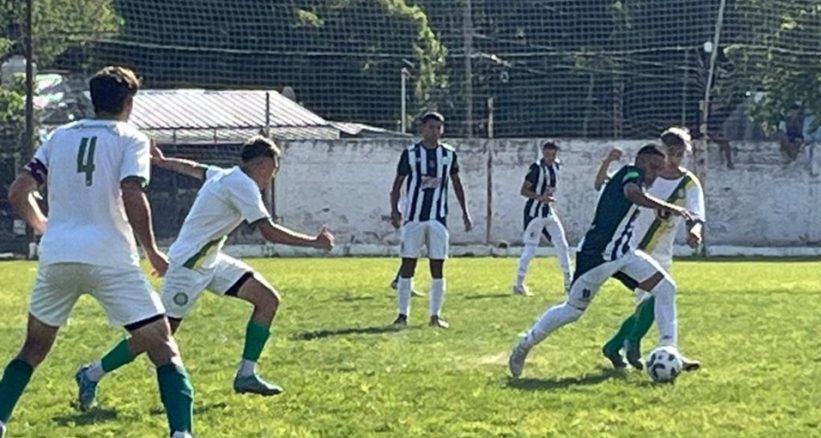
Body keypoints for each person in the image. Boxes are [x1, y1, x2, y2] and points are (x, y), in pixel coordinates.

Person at [0, 66, 194, 437]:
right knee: (164, 348)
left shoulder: (59, 136)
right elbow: (132, 192)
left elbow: (18, 192)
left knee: (33, 349)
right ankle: (181, 433)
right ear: (129, 102)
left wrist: (43, 225)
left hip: (58, 256)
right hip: (110, 257)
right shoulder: (131, 138)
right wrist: (152, 250)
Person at [76, 136, 334, 408]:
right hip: (188, 266)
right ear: (262, 165)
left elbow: (193, 168)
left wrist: (162, 162)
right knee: (157, 336)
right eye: (274, 169)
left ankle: (246, 375)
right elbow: (268, 232)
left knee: (267, 300)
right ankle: (91, 374)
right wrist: (314, 243)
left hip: (210, 260)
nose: (273, 176)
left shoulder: (225, 175)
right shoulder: (243, 185)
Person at [508, 144, 695, 379]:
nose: (657, 174)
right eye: (654, 168)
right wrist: (668, 207)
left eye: (660, 169)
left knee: (666, 288)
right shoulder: (631, 173)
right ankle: (524, 345)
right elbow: (632, 193)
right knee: (572, 311)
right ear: (642, 161)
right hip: (597, 257)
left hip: (623, 254)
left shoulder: (633, 177)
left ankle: (669, 349)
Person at [601, 128, 705, 370]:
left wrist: (695, 231)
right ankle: (642, 345)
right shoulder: (647, 175)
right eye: (670, 153)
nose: (674, 159)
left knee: (654, 300)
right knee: (652, 300)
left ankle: (617, 345)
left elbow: (696, 214)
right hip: (633, 247)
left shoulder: (689, 182)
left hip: (663, 251)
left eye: (679, 154)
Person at [389, 112, 473, 328]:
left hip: (438, 220)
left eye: (438, 128)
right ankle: (402, 315)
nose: (434, 131)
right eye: (430, 127)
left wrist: (465, 212)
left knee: (437, 267)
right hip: (414, 219)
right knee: (408, 265)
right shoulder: (410, 154)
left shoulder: (449, 154)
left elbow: (457, 184)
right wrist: (395, 210)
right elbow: (397, 185)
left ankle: (435, 316)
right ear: (422, 128)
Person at [513, 141, 572, 296]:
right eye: (547, 154)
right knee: (530, 249)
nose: (550, 158)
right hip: (534, 213)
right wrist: (541, 198)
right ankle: (518, 284)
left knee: (562, 244)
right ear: (543, 153)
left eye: (553, 154)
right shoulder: (536, 168)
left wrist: (548, 200)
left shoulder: (556, 166)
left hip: (548, 212)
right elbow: (523, 191)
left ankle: (569, 282)